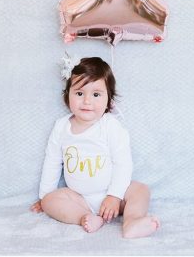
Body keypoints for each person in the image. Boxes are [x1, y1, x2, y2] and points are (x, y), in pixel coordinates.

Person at [30, 57, 159, 238]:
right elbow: (52, 162)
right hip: (79, 199)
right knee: (50, 200)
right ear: (67, 95)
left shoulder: (110, 126)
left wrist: (114, 196)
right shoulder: (61, 127)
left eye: (96, 95)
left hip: (114, 195)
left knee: (140, 190)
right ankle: (85, 217)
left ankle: (132, 221)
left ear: (109, 99)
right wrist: (44, 196)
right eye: (79, 93)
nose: (87, 101)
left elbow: (123, 164)